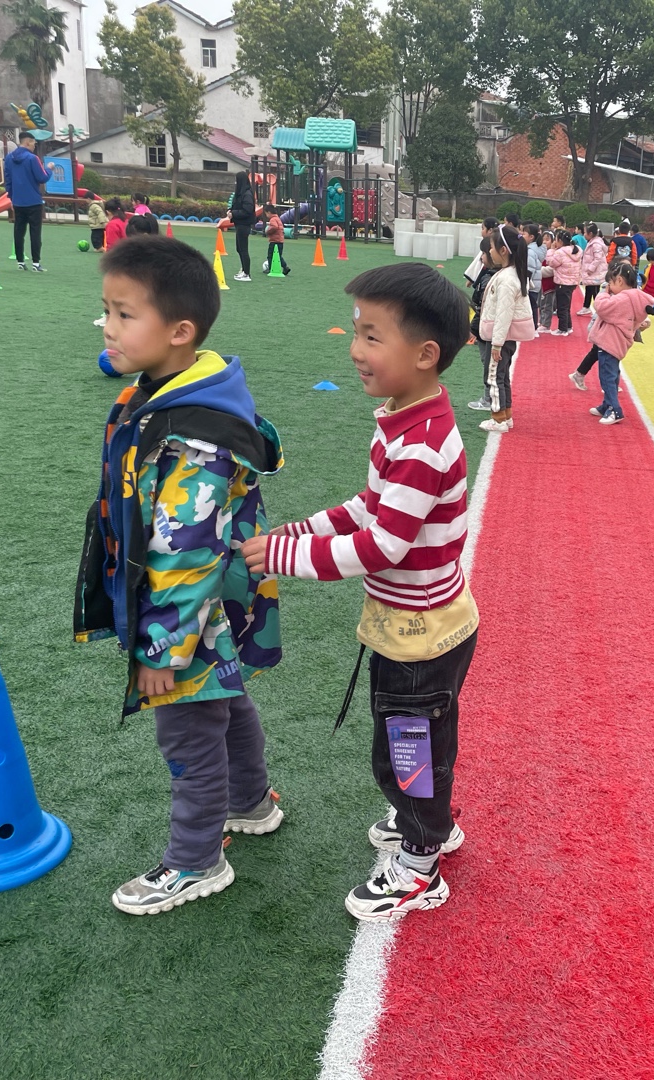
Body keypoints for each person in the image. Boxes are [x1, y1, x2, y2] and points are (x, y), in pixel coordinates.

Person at [238, 264, 478, 922]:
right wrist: (302, 530)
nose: (355, 349)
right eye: (356, 332)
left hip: (421, 636)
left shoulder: (422, 444)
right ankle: (429, 823)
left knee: (407, 748)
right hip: (420, 624)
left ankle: (421, 863)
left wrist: (283, 556)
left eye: (373, 336)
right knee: (416, 740)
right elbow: (368, 506)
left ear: (425, 355)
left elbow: (381, 546)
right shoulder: (403, 419)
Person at [74, 236, 286, 915]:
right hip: (209, 600)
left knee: (188, 727)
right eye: (107, 310)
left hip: (189, 605)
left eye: (124, 313)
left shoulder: (194, 434)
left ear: (179, 331)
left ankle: (197, 860)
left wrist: (161, 649)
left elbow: (187, 549)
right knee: (224, 697)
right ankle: (250, 802)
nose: (107, 326)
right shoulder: (171, 393)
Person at [476, 223, 533, 434]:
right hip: (504, 337)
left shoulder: (508, 279)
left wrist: (497, 344)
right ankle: (506, 415)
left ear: (502, 250)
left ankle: (498, 419)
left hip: (500, 338)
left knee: (493, 377)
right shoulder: (511, 273)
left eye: (491, 247)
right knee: (502, 376)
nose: (489, 252)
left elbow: (503, 314)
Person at [585, 262, 652, 426]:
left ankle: (614, 410)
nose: (610, 286)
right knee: (612, 374)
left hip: (610, 342)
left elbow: (601, 307)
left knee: (607, 376)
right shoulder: (635, 297)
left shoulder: (623, 298)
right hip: (617, 342)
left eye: (611, 283)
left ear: (620, 281)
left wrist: (604, 293)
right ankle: (607, 404)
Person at [3, 131, 53, 272]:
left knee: (19, 231)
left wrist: (12, 198)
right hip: (34, 201)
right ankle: (36, 263)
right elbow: (42, 178)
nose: (34, 146)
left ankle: (20, 262)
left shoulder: (9, 158)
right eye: (33, 143)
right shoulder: (32, 158)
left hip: (18, 201)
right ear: (27, 142)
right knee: (35, 232)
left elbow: (8, 181)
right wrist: (49, 169)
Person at [466, 237, 497, 413]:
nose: (481, 257)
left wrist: (473, 328)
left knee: (489, 365)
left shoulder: (490, 278)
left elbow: (484, 308)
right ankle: (491, 398)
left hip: (488, 329)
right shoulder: (488, 274)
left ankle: (489, 399)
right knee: (489, 364)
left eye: (484, 253)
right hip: (487, 327)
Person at [94, 199, 129, 326]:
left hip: (118, 262)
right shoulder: (126, 221)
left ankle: (109, 317)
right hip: (130, 260)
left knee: (112, 292)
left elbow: (112, 246)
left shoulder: (112, 225)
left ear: (108, 212)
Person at [546, 229, 582, 336]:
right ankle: (568, 326)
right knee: (566, 306)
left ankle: (562, 329)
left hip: (562, 282)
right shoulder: (576, 250)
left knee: (562, 307)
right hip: (572, 282)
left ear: (560, 241)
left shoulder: (560, 252)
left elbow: (551, 263)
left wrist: (551, 250)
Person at [225, 172, 257, 281]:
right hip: (239, 224)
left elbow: (247, 211)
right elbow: (237, 205)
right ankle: (243, 269)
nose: (235, 182)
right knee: (239, 249)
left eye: (236, 180)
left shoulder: (247, 194)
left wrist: (234, 214)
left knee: (243, 249)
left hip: (244, 224)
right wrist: (230, 210)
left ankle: (246, 273)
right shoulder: (240, 193)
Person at [578, 224, 608, 314]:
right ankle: (586, 306)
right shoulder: (591, 242)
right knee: (589, 288)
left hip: (595, 272)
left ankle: (600, 310)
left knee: (595, 292)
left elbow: (598, 258)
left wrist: (590, 269)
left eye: (585, 232)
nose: (584, 234)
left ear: (590, 233)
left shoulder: (596, 244)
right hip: (592, 273)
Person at [464, 217, 498, 286]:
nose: (481, 231)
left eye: (483, 228)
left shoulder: (489, 244)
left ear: (490, 230)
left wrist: (471, 280)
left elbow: (479, 264)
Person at [260, 204, 292, 277]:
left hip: (274, 241)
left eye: (266, 214)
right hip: (280, 241)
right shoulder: (278, 218)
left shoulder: (272, 219)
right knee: (279, 256)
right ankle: (285, 267)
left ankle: (270, 268)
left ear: (269, 212)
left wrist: (268, 231)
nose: (266, 216)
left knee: (270, 256)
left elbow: (274, 227)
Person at [523, 223, 544, 325]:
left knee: (531, 306)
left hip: (531, 284)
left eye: (524, 234)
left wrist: (525, 283)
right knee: (533, 305)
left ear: (531, 237)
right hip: (535, 283)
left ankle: (533, 326)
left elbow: (529, 269)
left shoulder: (530, 251)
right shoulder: (537, 249)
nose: (522, 236)